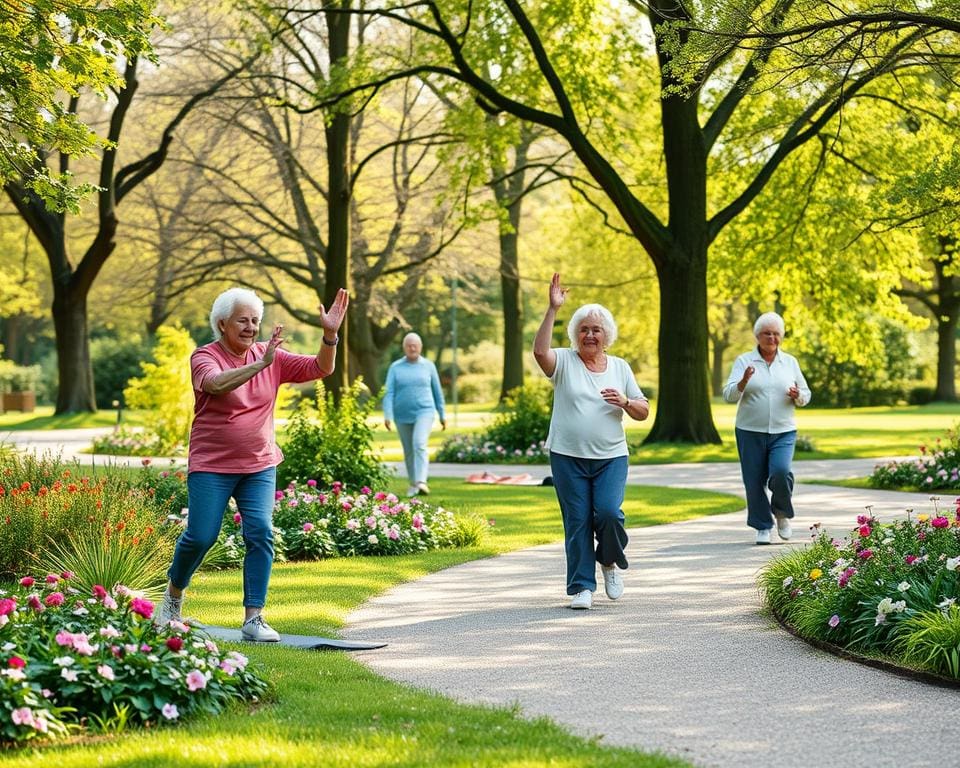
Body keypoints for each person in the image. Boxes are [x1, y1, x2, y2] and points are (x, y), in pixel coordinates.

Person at [154, 286, 349, 641]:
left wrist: (330, 336)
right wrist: (261, 364)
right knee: (201, 536)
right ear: (222, 323)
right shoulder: (205, 356)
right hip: (212, 464)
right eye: (242, 320)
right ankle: (172, 598)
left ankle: (254, 618)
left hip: (259, 464)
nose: (250, 327)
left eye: (255, 320)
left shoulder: (269, 354)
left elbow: (322, 368)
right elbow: (214, 385)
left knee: (260, 531)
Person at [533, 273, 649, 610]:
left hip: (611, 456)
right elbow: (540, 353)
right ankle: (582, 587)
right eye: (583, 328)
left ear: (606, 335)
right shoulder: (565, 362)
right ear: (575, 334)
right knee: (578, 521)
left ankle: (610, 562)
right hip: (567, 456)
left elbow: (643, 410)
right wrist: (553, 308)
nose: (590, 334)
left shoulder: (620, 367)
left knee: (610, 514)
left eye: (596, 329)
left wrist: (626, 402)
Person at [722, 311, 811, 545]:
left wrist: (798, 395)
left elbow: (806, 394)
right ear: (757, 336)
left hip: (783, 430)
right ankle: (762, 526)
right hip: (749, 430)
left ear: (781, 336)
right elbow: (728, 395)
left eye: (776, 334)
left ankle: (781, 513)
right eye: (766, 333)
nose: (772, 338)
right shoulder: (744, 361)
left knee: (781, 472)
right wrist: (743, 381)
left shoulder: (789, 362)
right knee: (753, 481)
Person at [382, 332, 446, 497]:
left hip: (425, 411)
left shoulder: (429, 366)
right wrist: (388, 415)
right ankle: (413, 483)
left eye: (415, 345)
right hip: (401, 414)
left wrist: (442, 413)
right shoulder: (395, 367)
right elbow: (388, 392)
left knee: (419, 443)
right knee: (409, 450)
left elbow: (437, 391)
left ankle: (421, 481)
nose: (412, 348)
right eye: (409, 345)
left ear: (420, 347)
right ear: (404, 347)